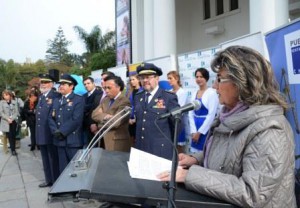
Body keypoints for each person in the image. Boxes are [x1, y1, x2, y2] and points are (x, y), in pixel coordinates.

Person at [158, 45, 296, 207]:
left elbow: (253, 193)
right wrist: (196, 159)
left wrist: (188, 176)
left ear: (243, 83)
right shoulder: (230, 114)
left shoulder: (271, 130)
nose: (215, 86)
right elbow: (230, 153)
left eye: (219, 79)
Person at [134, 63, 180, 160]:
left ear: (157, 78)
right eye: (142, 77)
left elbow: (177, 125)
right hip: (141, 149)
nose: (145, 80)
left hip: (160, 151)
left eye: (148, 77)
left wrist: (166, 143)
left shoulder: (168, 97)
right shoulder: (138, 97)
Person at [48, 74, 85, 174]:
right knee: (63, 169)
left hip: (72, 141)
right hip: (59, 140)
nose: (60, 86)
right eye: (60, 84)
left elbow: (76, 120)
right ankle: (64, 189)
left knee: (75, 170)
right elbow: (51, 117)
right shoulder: (57, 100)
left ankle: (75, 189)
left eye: (64, 84)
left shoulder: (78, 99)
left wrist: (62, 131)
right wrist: (55, 131)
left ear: (71, 86)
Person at [91, 75, 131, 152]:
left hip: (117, 143)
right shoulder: (105, 100)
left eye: (109, 88)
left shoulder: (124, 101)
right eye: (105, 88)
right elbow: (94, 114)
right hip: (102, 141)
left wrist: (99, 124)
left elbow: (115, 122)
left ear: (118, 87)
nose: (106, 91)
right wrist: (106, 116)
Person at [36, 73, 60, 188]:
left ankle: (55, 180)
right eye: (42, 82)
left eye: (46, 82)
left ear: (51, 84)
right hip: (41, 133)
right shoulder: (41, 97)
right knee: (45, 158)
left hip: (50, 133)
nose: (43, 84)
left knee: (52, 159)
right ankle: (48, 180)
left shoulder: (55, 96)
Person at [188, 68, 219, 153]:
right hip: (195, 127)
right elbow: (190, 113)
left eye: (201, 77)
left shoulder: (211, 93)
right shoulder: (194, 93)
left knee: (205, 153)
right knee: (194, 155)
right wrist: (193, 131)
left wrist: (199, 132)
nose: (198, 79)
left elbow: (211, 115)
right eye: (197, 77)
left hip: (206, 129)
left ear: (206, 78)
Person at [167, 70, 190, 153]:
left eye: (170, 78)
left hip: (178, 122)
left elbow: (179, 108)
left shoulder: (183, 92)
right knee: (171, 147)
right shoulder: (168, 92)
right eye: (168, 79)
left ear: (176, 79)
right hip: (169, 123)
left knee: (179, 148)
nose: (168, 80)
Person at [82, 77, 103, 147]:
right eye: (84, 84)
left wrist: (85, 107)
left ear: (93, 83)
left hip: (94, 125)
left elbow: (95, 107)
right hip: (85, 126)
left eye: (88, 83)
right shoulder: (83, 96)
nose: (86, 85)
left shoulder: (99, 94)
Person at [0, 90, 19, 156]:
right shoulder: (1, 102)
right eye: (4, 95)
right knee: (9, 136)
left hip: (13, 121)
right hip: (6, 122)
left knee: (13, 136)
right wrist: (7, 118)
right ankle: (12, 150)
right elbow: (1, 112)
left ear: (10, 95)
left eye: (6, 95)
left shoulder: (14, 102)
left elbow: (16, 112)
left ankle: (13, 148)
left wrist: (12, 118)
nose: (5, 96)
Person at [127, 73, 143, 147]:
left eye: (133, 79)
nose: (132, 81)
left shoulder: (143, 91)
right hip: (130, 117)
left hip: (139, 119)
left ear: (138, 80)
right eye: (130, 80)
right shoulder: (129, 91)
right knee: (131, 139)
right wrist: (129, 118)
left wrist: (136, 119)